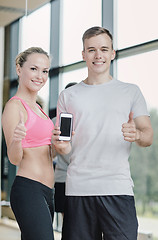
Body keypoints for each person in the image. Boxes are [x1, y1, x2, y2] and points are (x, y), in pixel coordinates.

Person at [52, 26, 153, 240]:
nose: (98, 55)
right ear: (83, 55)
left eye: (104, 49)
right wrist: (61, 146)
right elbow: (65, 144)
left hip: (118, 187)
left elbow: (148, 136)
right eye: (91, 50)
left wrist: (136, 135)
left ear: (113, 53)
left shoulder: (130, 91)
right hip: (78, 189)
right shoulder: (68, 95)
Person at [2, 47, 56, 240]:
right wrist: (16, 140)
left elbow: (47, 153)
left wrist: (59, 143)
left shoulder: (40, 109)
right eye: (34, 69)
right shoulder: (14, 106)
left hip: (47, 191)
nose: (40, 76)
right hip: (29, 189)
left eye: (45, 71)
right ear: (19, 69)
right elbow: (15, 158)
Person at [52, 82, 77, 218]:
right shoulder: (55, 122)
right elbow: (51, 152)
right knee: (70, 221)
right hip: (64, 178)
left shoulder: (55, 120)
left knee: (69, 221)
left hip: (69, 178)